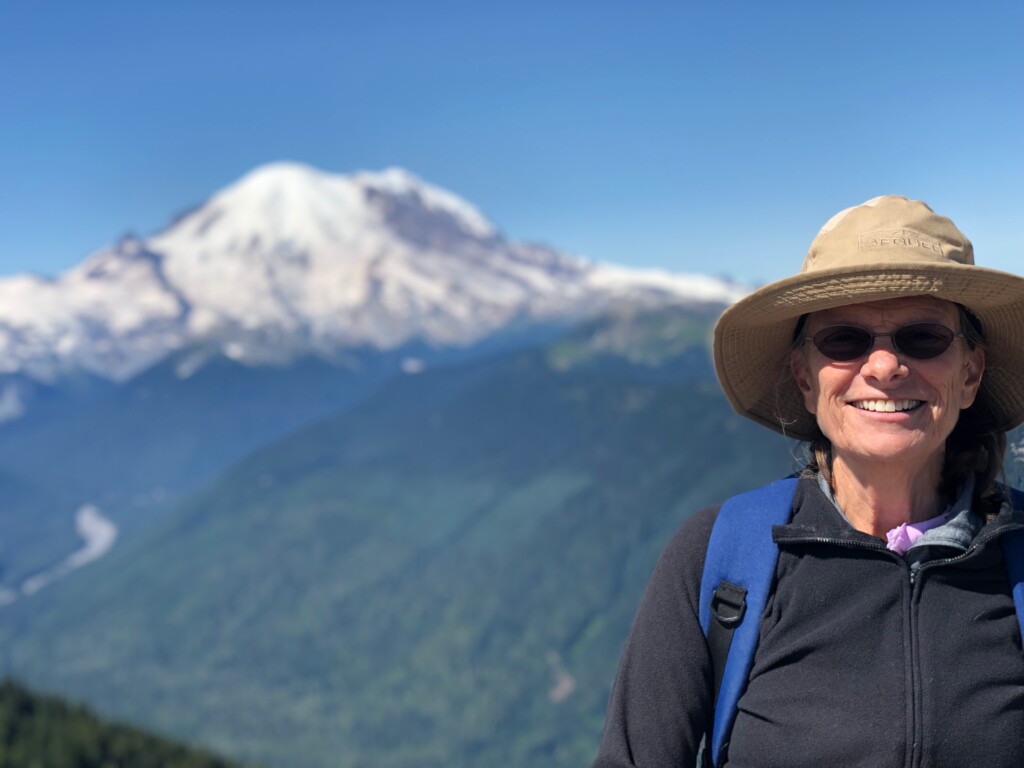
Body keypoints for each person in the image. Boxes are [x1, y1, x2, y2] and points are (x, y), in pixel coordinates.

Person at [593, 196, 1024, 767]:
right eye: (844, 340)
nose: (883, 367)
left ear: (970, 374)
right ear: (804, 377)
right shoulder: (720, 559)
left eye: (923, 338)